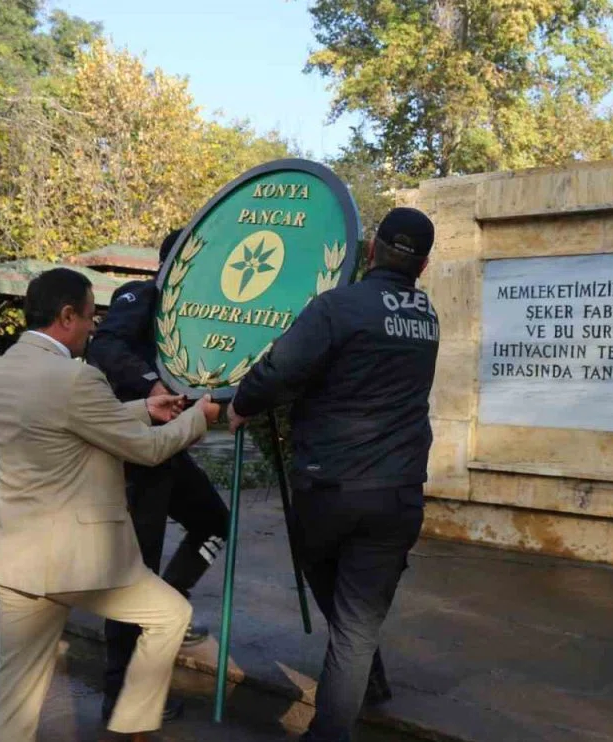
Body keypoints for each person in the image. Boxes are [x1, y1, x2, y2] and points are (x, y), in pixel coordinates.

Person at [0, 268, 222, 742]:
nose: (94, 327)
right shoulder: (77, 377)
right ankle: (132, 725)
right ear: (66, 315)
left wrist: (141, 408)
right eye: (91, 317)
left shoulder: (4, 369)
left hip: (16, 562)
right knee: (171, 615)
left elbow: (58, 422)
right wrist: (199, 417)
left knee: (14, 700)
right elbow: (147, 451)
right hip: (75, 563)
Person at [227, 207, 440, 742]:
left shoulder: (339, 308)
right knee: (356, 616)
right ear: (426, 264)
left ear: (371, 250)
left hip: (332, 489)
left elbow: (280, 370)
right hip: (397, 494)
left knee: (346, 617)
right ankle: (370, 677)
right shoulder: (427, 316)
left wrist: (241, 404)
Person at [85, 228, 232, 722]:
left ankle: (169, 605)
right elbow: (104, 348)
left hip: (167, 451)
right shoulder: (142, 296)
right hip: (133, 454)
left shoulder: (203, 315)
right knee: (133, 571)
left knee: (215, 521)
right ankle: (120, 694)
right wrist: (152, 387)